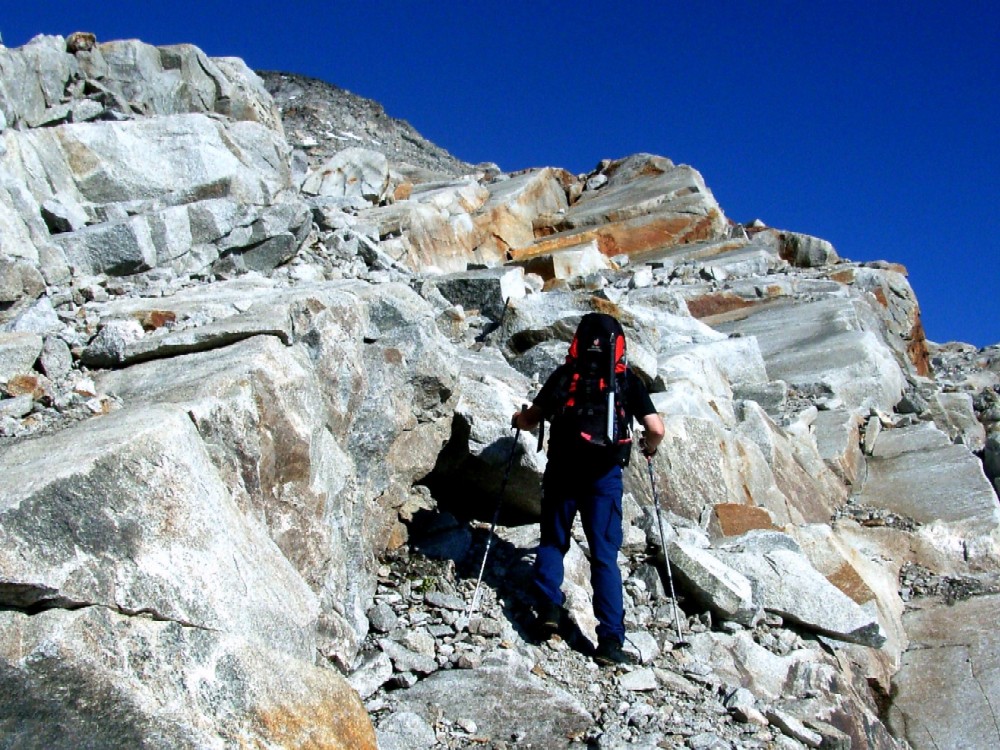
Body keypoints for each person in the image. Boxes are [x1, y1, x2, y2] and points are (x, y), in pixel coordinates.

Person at [512, 313, 664, 666]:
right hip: (604, 476)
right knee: (604, 556)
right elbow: (656, 429)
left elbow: (531, 419)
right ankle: (609, 641)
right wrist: (649, 447)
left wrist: (518, 420)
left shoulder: (566, 375)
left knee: (553, 541)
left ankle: (548, 610)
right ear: (619, 345)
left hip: (563, 470)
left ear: (578, 342)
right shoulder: (627, 380)